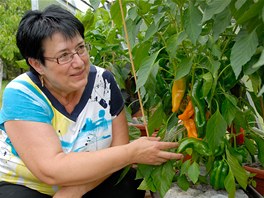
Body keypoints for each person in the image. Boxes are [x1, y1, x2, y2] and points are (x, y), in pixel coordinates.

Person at [0, 4, 183, 198]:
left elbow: (118, 148)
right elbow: (51, 169)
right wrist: (133, 152)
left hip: (92, 178)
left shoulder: (103, 81)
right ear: (37, 64)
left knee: (128, 182)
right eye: (64, 56)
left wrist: (76, 190)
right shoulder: (23, 93)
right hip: (31, 185)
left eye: (80, 48)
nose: (78, 62)